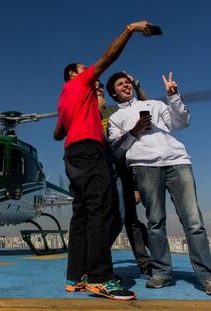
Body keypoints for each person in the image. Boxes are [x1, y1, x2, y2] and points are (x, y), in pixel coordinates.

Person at [53, 21, 153, 300]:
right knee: (102, 209)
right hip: (89, 151)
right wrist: (130, 29)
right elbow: (110, 57)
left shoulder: (65, 99)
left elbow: (57, 133)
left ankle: (76, 277)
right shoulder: (79, 81)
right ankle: (100, 277)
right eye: (86, 69)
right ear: (74, 73)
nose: (92, 74)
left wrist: (85, 108)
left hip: (72, 155)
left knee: (82, 214)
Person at [106, 71, 211, 295]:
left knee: (194, 222)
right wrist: (134, 131)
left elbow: (182, 122)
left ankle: (206, 276)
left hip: (178, 162)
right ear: (113, 93)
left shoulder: (154, 104)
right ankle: (162, 273)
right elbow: (115, 151)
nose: (126, 85)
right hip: (144, 167)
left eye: (128, 82)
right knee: (155, 222)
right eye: (120, 84)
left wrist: (173, 96)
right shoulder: (115, 118)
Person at [99, 76, 153, 276]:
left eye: (101, 91)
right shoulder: (88, 115)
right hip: (101, 173)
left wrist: (136, 186)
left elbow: (147, 108)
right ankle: (97, 262)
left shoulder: (116, 112)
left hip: (123, 170)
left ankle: (145, 261)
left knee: (130, 218)